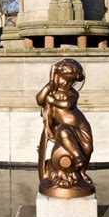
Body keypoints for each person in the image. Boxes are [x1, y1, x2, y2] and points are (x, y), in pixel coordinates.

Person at [36, 58, 93, 186]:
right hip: (64, 128)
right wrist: (47, 87)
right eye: (63, 79)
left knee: (89, 149)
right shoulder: (52, 91)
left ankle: (82, 172)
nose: (64, 83)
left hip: (81, 127)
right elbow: (39, 100)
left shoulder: (73, 93)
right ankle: (77, 156)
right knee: (62, 130)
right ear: (58, 77)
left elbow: (67, 104)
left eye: (69, 82)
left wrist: (52, 101)